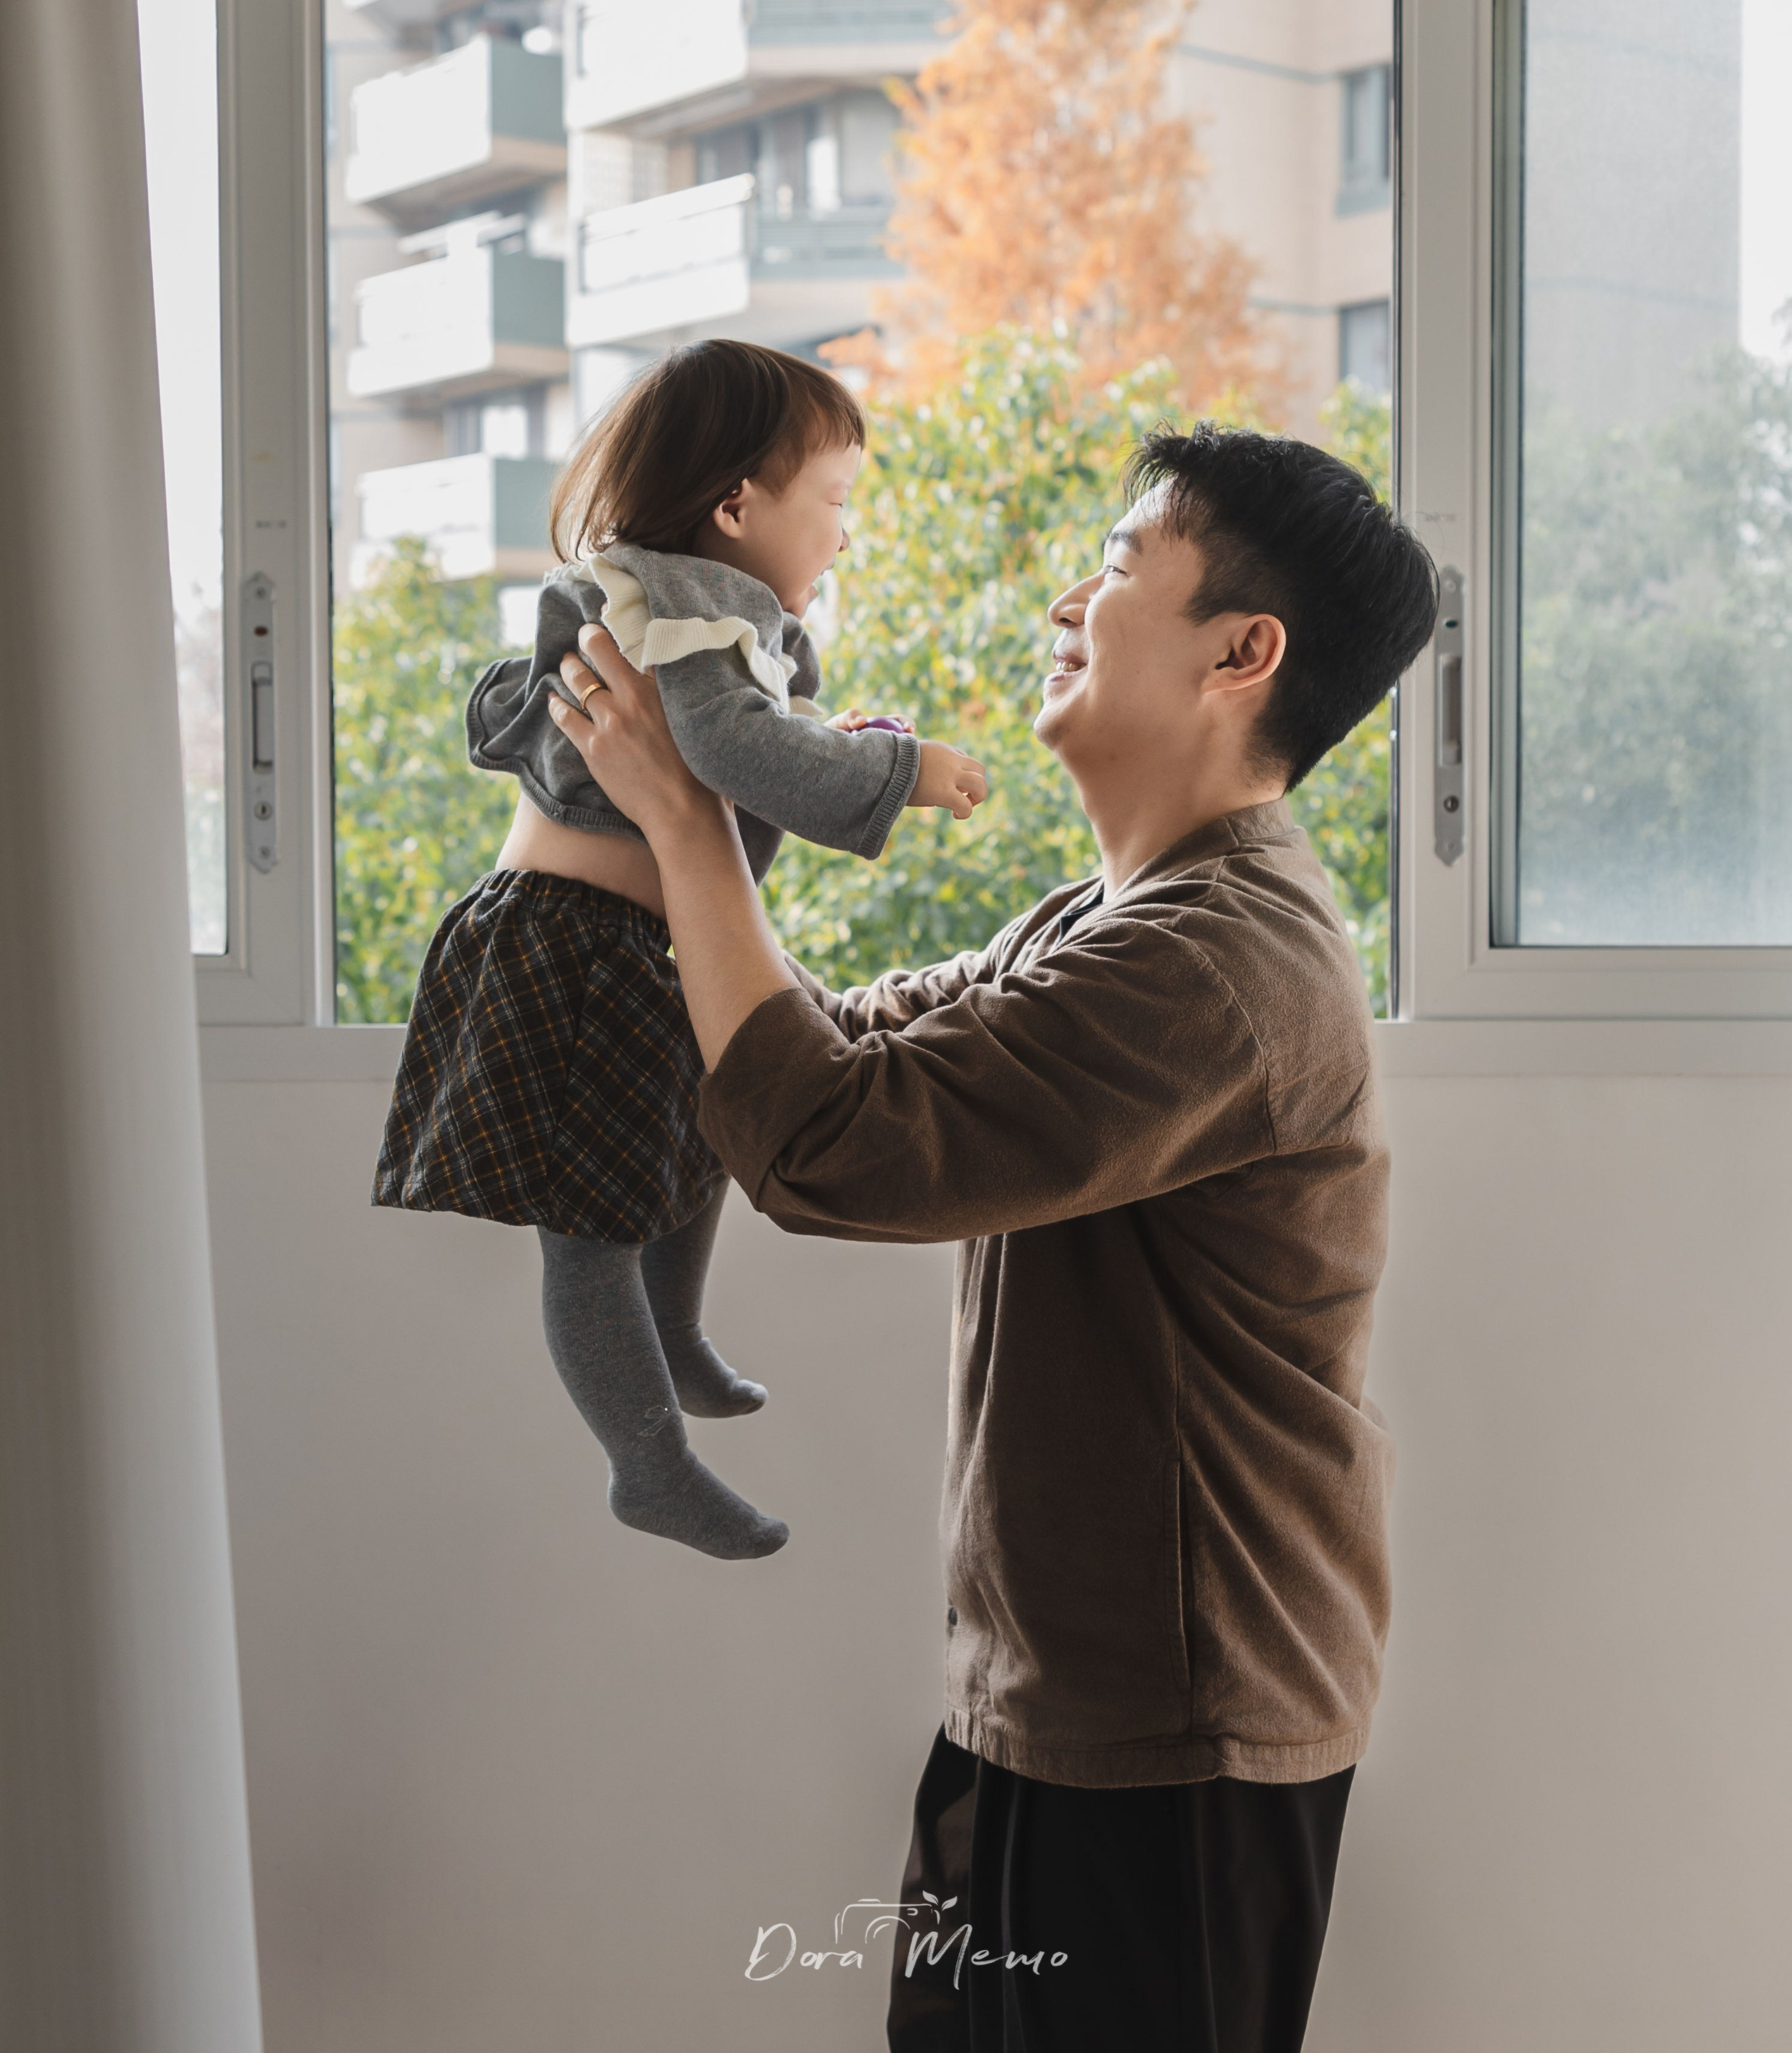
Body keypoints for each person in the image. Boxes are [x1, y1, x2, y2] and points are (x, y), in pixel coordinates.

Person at [545, 414, 1439, 2052]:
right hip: (1050, 1696)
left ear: (1244, 652)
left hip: (1174, 1736)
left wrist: (689, 822)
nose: (1063, 601)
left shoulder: (1216, 965)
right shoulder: (1112, 921)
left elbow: (826, 1145)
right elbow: (828, 1046)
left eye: (1113, 567)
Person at [371, 340, 986, 1563]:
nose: (845, 537)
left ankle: (680, 1331)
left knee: (701, 1139)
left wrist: (821, 729)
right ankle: (645, 1460)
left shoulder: (697, 611)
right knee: (592, 1230)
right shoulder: (675, 606)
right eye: (836, 505)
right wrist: (893, 770)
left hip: (642, 950)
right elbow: (733, 754)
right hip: (578, 955)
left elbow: (742, 733)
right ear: (735, 506)